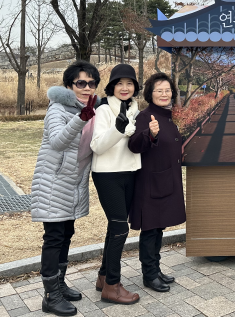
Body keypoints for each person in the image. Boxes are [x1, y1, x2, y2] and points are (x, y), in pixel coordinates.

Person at [30, 60, 100, 316]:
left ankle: (59, 284)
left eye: (91, 83)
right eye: (81, 83)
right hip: (54, 183)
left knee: (67, 234)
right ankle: (51, 296)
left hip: (74, 183)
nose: (87, 88)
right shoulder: (58, 109)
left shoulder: (92, 109)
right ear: (70, 85)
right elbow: (58, 142)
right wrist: (81, 119)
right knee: (54, 238)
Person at [128, 72, 186, 293]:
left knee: (158, 228)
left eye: (167, 90)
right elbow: (134, 145)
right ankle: (149, 275)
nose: (164, 94)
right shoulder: (146, 116)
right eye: (159, 90)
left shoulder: (167, 115)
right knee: (150, 229)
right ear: (150, 94)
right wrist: (149, 135)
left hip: (166, 180)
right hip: (150, 184)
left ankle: (156, 269)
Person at [90, 64, 142, 305]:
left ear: (135, 87)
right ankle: (112, 286)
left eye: (129, 83)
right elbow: (97, 146)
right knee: (121, 228)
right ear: (112, 86)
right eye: (119, 83)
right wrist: (118, 128)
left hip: (130, 172)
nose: (124, 88)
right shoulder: (103, 110)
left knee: (116, 226)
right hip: (108, 174)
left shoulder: (135, 109)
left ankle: (103, 276)